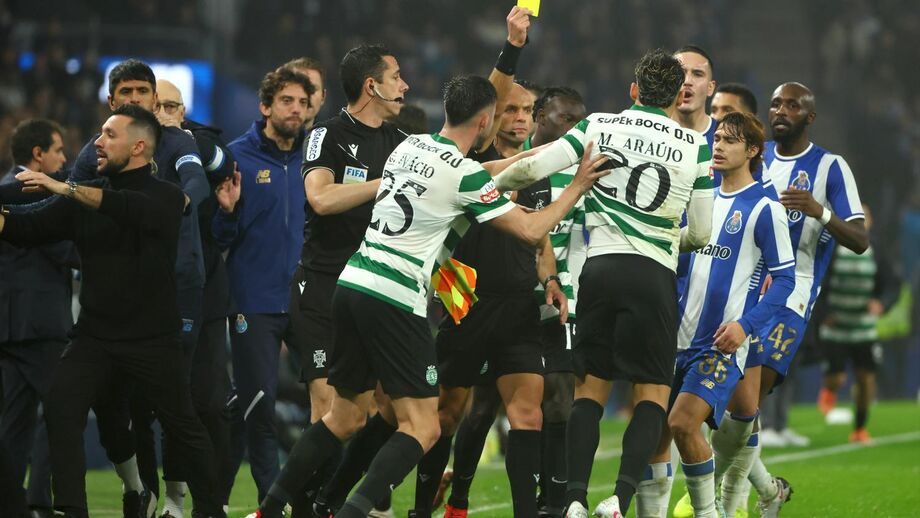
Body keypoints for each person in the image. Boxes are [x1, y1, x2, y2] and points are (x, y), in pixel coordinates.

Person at [247, 73, 608, 518]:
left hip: (354, 284)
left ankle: (269, 509)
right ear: (485, 121)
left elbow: (492, 170)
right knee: (423, 427)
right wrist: (577, 185)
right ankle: (353, 512)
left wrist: (545, 154)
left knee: (343, 418)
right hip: (396, 298)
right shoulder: (463, 175)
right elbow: (532, 229)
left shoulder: (409, 147)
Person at [490, 48, 715, 518]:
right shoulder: (696, 146)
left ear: (633, 90)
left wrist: (483, 186)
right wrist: (667, 234)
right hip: (653, 274)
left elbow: (532, 168)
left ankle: (573, 499)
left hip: (600, 270)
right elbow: (700, 232)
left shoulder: (599, 125)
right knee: (651, 393)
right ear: (677, 96)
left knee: (590, 390)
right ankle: (620, 498)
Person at [0, 104, 224, 518]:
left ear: (139, 146)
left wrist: (64, 187)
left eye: (108, 135)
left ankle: (211, 510)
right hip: (95, 338)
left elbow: (125, 208)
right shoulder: (82, 197)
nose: (97, 142)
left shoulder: (167, 196)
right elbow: (27, 228)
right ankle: (72, 509)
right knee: (61, 404)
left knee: (183, 425)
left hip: (153, 338)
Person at [712, 82, 868, 518]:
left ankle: (717, 503)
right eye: (777, 102)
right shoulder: (754, 160)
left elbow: (860, 238)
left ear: (809, 117)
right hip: (740, 289)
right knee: (732, 408)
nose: (782, 109)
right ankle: (767, 491)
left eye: (793, 105)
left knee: (745, 404)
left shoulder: (830, 167)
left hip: (790, 297)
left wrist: (821, 212)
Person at [437, 86, 588, 518]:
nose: (520, 119)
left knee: (541, 406)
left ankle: (543, 507)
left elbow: (539, 241)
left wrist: (554, 280)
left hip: (531, 304)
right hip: (477, 307)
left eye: (526, 111)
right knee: (474, 410)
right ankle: (457, 499)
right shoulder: (472, 166)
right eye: (511, 110)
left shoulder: (542, 173)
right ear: (490, 117)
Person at [641, 112, 795, 518]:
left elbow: (784, 280)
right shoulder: (698, 197)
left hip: (720, 343)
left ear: (753, 151)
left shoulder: (765, 208)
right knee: (652, 437)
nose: (719, 146)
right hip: (672, 337)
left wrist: (745, 327)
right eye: (718, 139)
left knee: (682, 423)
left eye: (729, 140)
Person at [212, 67, 315, 505]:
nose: (296, 109)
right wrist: (229, 212)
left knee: (334, 404)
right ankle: (270, 506)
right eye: (287, 101)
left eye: (303, 102)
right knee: (260, 409)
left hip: (307, 300)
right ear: (265, 106)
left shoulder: (315, 160)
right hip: (253, 301)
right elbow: (219, 238)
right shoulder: (236, 157)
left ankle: (314, 499)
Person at [154, 78, 235, 518]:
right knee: (167, 399)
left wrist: (179, 137)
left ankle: (211, 500)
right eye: (159, 105)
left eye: (173, 105)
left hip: (205, 294)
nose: (166, 112)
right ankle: (167, 498)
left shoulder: (198, 142)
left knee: (208, 400)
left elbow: (224, 162)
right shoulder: (134, 152)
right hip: (153, 293)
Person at [0, 119, 74, 518]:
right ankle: (40, 501)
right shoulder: (31, 193)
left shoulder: (2, 190)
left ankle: (10, 503)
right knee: (64, 409)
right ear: (37, 155)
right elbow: (62, 249)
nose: (64, 159)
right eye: (59, 150)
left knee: (15, 420)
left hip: (9, 326)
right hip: (40, 324)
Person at [818, 203, 900, 443]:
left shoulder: (877, 250)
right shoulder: (833, 248)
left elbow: (893, 284)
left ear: (871, 222)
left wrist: (882, 303)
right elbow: (817, 281)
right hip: (836, 328)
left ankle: (859, 428)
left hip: (864, 327)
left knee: (866, 379)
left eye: (866, 217)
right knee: (837, 378)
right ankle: (829, 389)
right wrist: (824, 313)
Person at [281, 57, 328, 130]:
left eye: (313, 88)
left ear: (323, 97)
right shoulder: (259, 140)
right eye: (301, 88)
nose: (307, 96)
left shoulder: (335, 139)